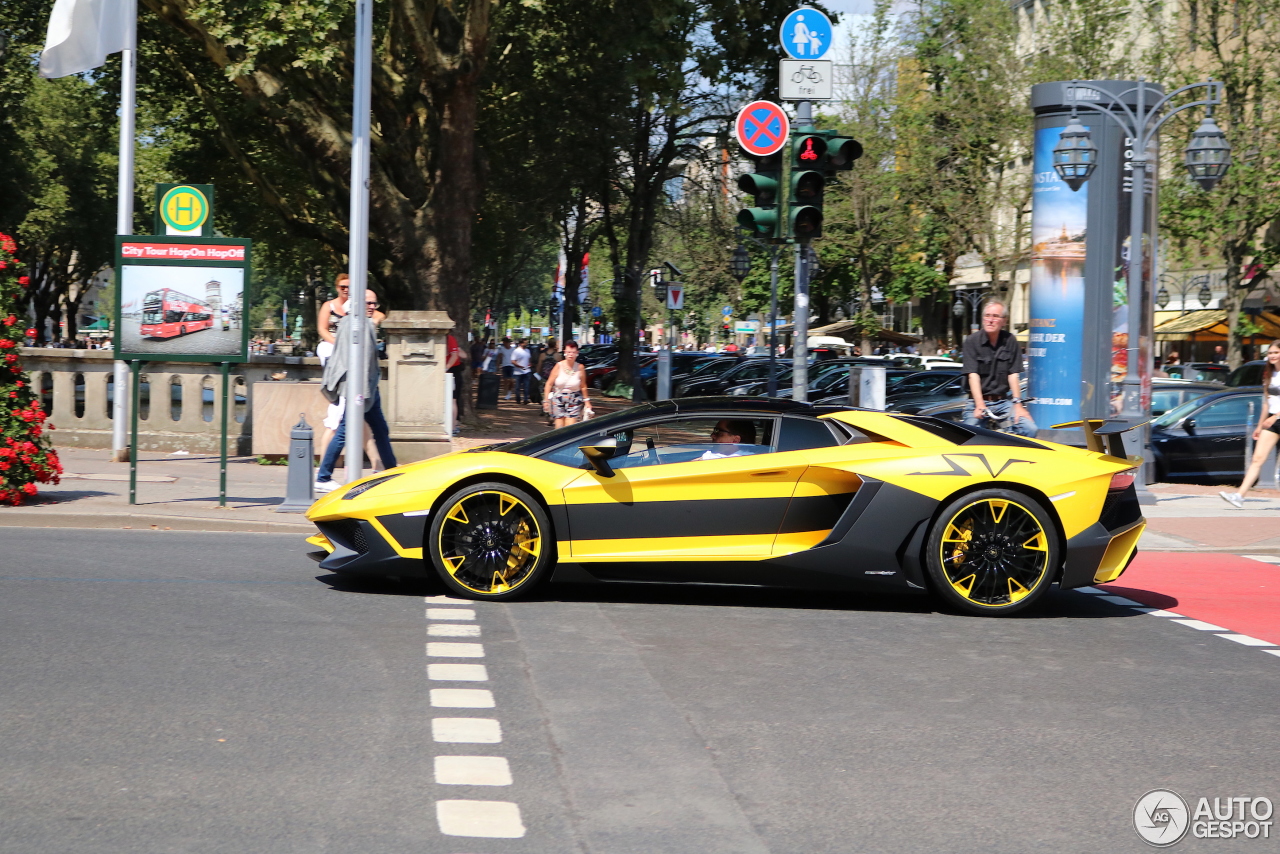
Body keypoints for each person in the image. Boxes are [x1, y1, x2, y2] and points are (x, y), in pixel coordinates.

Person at [314, 289, 397, 492]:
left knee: (379, 430)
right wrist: (363, 390)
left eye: (374, 304)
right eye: (368, 303)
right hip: (361, 390)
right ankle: (324, 476)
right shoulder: (359, 325)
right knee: (345, 431)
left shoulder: (350, 323)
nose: (372, 307)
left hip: (364, 389)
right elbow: (362, 361)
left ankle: (392, 471)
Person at [961, 300, 1036, 437]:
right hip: (977, 401)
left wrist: (1018, 405)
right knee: (968, 435)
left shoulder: (1010, 340)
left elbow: (1013, 374)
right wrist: (979, 404)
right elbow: (973, 375)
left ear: (1004, 321)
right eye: (987, 316)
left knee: (1029, 429)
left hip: (1002, 402)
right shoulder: (972, 341)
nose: (990, 320)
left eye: (995, 316)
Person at [1219, 340, 1280, 508]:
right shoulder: (1268, 374)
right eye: (1270, 353)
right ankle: (1239, 496)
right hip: (1272, 422)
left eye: (1276, 352)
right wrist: (1259, 426)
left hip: (1276, 419)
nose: (1272, 356)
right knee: (1257, 458)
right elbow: (1266, 403)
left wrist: (1275, 417)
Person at [543, 340, 592, 428]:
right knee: (559, 426)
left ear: (577, 353)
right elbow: (549, 384)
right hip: (558, 397)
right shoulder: (559, 366)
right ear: (564, 352)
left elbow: (583, 386)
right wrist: (546, 400)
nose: (571, 354)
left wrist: (587, 401)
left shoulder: (580, 367)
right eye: (568, 352)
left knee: (570, 426)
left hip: (574, 398)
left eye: (573, 352)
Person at [445, 331, 465, 435]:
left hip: (452, 371)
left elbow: (455, 355)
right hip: (440, 371)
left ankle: (453, 427)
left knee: (453, 399)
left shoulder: (449, 338)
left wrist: (446, 368)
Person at [511, 338, 532, 404]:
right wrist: (519, 366)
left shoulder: (528, 350)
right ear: (520, 343)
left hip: (527, 371)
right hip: (518, 372)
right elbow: (513, 361)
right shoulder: (516, 351)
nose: (526, 344)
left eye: (526, 343)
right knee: (517, 387)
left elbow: (529, 359)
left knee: (526, 386)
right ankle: (518, 399)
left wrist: (530, 364)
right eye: (524, 343)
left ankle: (525, 399)